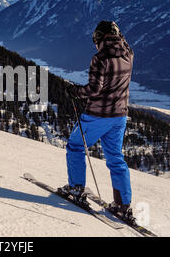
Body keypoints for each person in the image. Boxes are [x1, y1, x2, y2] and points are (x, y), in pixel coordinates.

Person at [61, 21, 134, 219]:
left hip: (97, 115)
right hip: (120, 116)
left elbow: (94, 89)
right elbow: (123, 44)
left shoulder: (99, 58)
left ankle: (76, 189)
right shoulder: (129, 53)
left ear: (99, 38)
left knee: (75, 146)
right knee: (115, 157)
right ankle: (123, 204)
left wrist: (75, 91)